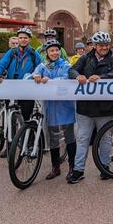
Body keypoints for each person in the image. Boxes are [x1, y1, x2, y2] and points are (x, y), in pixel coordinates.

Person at [68, 31, 113, 183]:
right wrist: (77, 76)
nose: (103, 47)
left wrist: (102, 77)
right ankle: (78, 170)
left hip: (106, 107)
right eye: (100, 45)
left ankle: (105, 168)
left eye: (106, 45)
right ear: (95, 46)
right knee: (82, 138)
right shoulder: (86, 57)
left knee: (105, 139)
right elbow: (71, 70)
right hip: (85, 107)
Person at [27, 40, 77, 182]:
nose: (54, 53)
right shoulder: (43, 65)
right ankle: (55, 167)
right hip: (51, 107)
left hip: (65, 105)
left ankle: (72, 167)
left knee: (69, 137)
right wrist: (35, 76)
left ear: (60, 52)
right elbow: (33, 74)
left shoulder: (65, 65)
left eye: (56, 50)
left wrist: (51, 81)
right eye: (51, 51)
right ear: (47, 53)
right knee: (53, 138)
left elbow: (68, 77)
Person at [0, 27, 42, 122]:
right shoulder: (12, 52)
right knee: (9, 110)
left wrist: (38, 75)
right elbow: (1, 65)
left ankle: (25, 133)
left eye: (25, 38)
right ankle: (6, 130)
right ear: (18, 39)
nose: (23, 40)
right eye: (20, 38)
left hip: (27, 87)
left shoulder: (33, 53)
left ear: (29, 39)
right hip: (11, 85)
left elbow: (41, 67)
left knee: (26, 115)